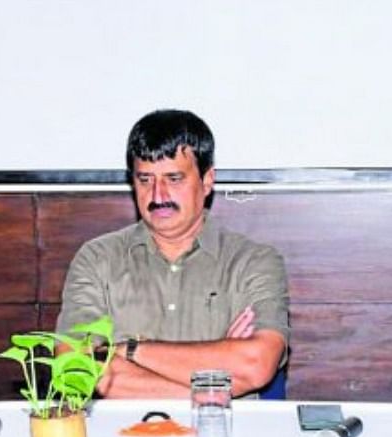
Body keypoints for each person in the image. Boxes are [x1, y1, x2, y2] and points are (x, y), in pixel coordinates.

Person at [56, 109, 290, 398]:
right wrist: (210, 387)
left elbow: (254, 365)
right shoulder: (97, 259)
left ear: (207, 181)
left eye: (174, 178)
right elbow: (75, 368)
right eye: (145, 180)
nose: (158, 195)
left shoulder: (253, 262)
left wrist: (129, 350)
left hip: (222, 436)